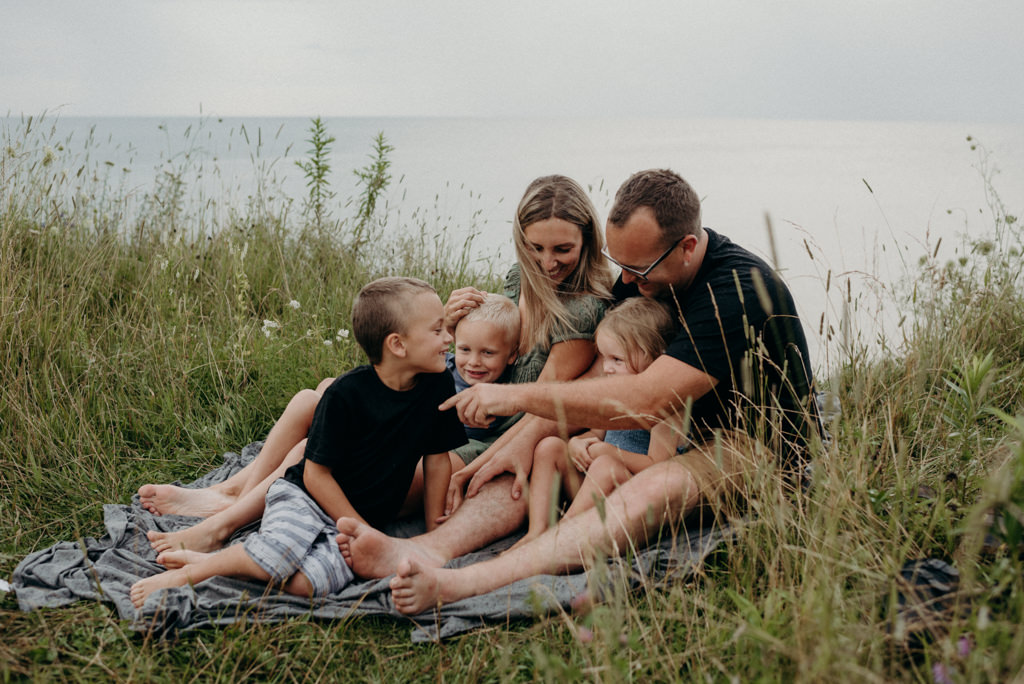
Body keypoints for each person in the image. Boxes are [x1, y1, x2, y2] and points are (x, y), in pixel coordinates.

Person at [336, 168, 819, 615]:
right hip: (656, 433)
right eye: (618, 263)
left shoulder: (736, 291)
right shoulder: (642, 281)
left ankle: (467, 582)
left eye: (639, 269)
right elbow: (593, 385)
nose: (626, 281)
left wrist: (517, 399)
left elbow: (647, 399)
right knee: (534, 454)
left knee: (659, 485)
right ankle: (425, 550)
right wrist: (508, 449)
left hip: (749, 445)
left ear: (688, 246)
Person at [130, 277, 467, 608]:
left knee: (307, 585)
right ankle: (194, 572)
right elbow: (314, 475)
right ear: (398, 344)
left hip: (363, 515)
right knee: (277, 555)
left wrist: (434, 526)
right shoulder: (346, 395)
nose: (448, 338)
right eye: (437, 330)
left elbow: (436, 459)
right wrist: (359, 529)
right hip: (306, 499)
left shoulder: (436, 387)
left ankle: (225, 560)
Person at [514, 297, 679, 550]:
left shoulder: (664, 406)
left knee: (604, 465)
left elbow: (659, 465)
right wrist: (578, 444)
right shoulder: (612, 396)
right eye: (604, 357)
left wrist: (608, 453)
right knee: (550, 446)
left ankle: (559, 537)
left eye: (617, 359)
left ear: (655, 358)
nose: (607, 368)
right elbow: (596, 433)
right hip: (593, 489)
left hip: (632, 497)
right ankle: (538, 529)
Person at [446, 293, 521, 466]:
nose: (473, 362)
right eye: (464, 349)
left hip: (464, 448)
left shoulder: (505, 389)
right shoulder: (444, 367)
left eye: (487, 352)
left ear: (512, 355)